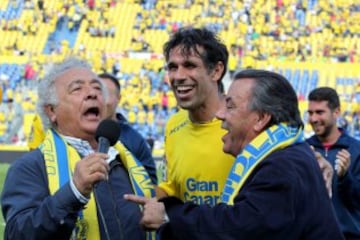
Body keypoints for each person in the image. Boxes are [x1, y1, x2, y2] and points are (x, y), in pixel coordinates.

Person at [125, 69, 344, 240]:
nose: (220, 114)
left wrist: (167, 215)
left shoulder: (282, 167)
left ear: (260, 119)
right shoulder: (288, 154)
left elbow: (235, 229)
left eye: (230, 105)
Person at [1, 57, 156, 240]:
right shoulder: (30, 167)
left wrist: (162, 217)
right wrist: (73, 192)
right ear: (51, 111)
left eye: (97, 88)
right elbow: (18, 235)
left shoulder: (126, 159)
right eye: (77, 88)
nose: (92, 93)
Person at [156, 26, 235, 205]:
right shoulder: (173, 125)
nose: (179, 76)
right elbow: (171, 189)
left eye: (190, 65)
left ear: (216, 71)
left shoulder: (243, 123)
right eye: (173, 67)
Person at [306, 87, 360, 239]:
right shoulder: (303, 150)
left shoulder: (356, 150)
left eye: (319, 112)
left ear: (336, 112)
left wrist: (345, 177)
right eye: (310, 113)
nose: (313, 119)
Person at [98, 72, 157, 182]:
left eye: (106, 94)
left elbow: (151, 184)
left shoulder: (134, 140)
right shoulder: (79, 133)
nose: (100, 100)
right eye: (96, 93)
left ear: (118, 98)